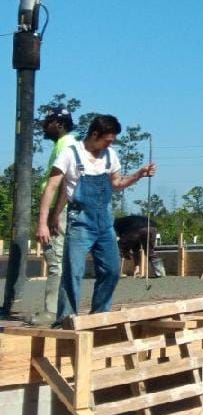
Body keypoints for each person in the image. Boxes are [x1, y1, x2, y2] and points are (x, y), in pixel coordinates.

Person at [37, 114, 156, 326]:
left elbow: (117, 184)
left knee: (111, 269)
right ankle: (66, 319)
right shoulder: (70, 154)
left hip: (105, 222)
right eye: (108, 140)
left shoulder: (110, 156)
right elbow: (52, 187)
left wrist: (139, 174)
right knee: (73, 272)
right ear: (94, 134)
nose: (110, 144)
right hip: (80, 220)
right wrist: (43, 223)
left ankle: (100, 317)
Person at [40, 110, 77, 319]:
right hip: (58, 208)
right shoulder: (62, 144)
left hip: (58, 209)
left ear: (60, 124)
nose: (45, 126)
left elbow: (64, 182)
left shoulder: (66, 145)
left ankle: (52, 311)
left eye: (48, 122)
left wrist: (54, 214)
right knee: (56, 258)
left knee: (55, 259)